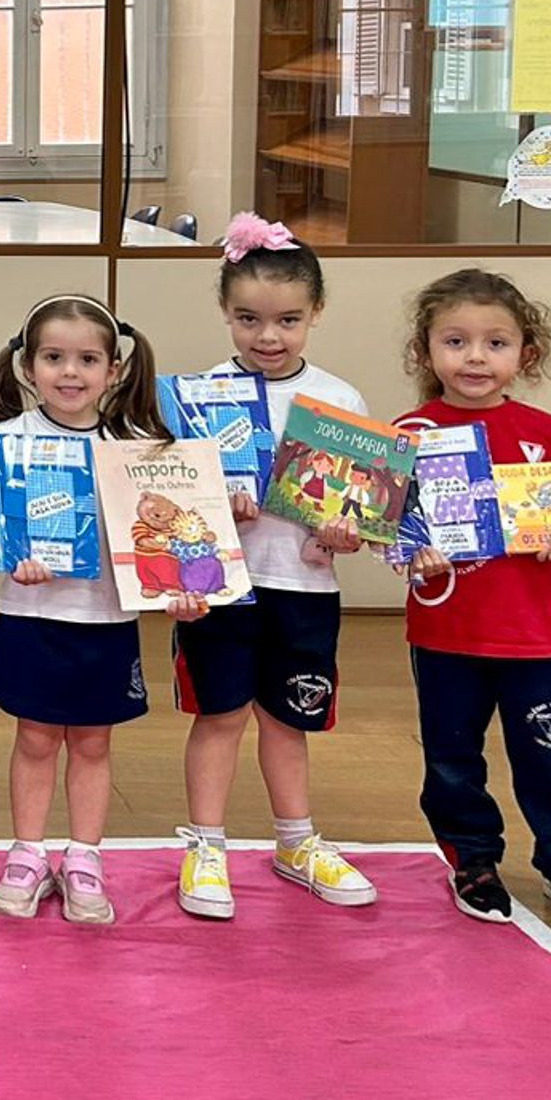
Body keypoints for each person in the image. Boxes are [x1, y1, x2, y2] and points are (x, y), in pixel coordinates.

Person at [393, 269, 551, 936]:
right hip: (446, 633)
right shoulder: (408, 433)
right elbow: (386, 526)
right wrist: (410, 548)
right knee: (452, 758)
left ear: (526, 353)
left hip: (536, 636)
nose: (475, 358)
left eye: (496, 343)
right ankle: (473, 861)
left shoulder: (547, 433)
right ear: (425, 351)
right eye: (455, 341)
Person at [168, 215, 377, 921]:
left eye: (288, 320)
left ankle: (296, 841)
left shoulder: (340, 401)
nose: (268, 337)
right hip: (220, 586)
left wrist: (343, 532)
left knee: (289, 719)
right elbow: (172, 509)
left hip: (303, 584)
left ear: (316, 312)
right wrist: (210, 508)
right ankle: (206, 846)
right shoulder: (197, 398)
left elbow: (356, 518)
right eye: (249, 319)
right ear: (225, 312)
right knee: (220, 715)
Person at [0, 294, 202, 925]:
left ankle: (84, 857)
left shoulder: (139, 449)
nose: (70, 372)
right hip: (32, 616)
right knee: (35, 738)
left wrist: (182, 588)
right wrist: (16, 556)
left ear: (114, 370)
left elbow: (169, 538)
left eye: (87, 359)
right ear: (28, 366)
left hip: (105, 621)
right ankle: (27, 854)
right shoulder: (6, 442)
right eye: (53, 358)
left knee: (94, 743)